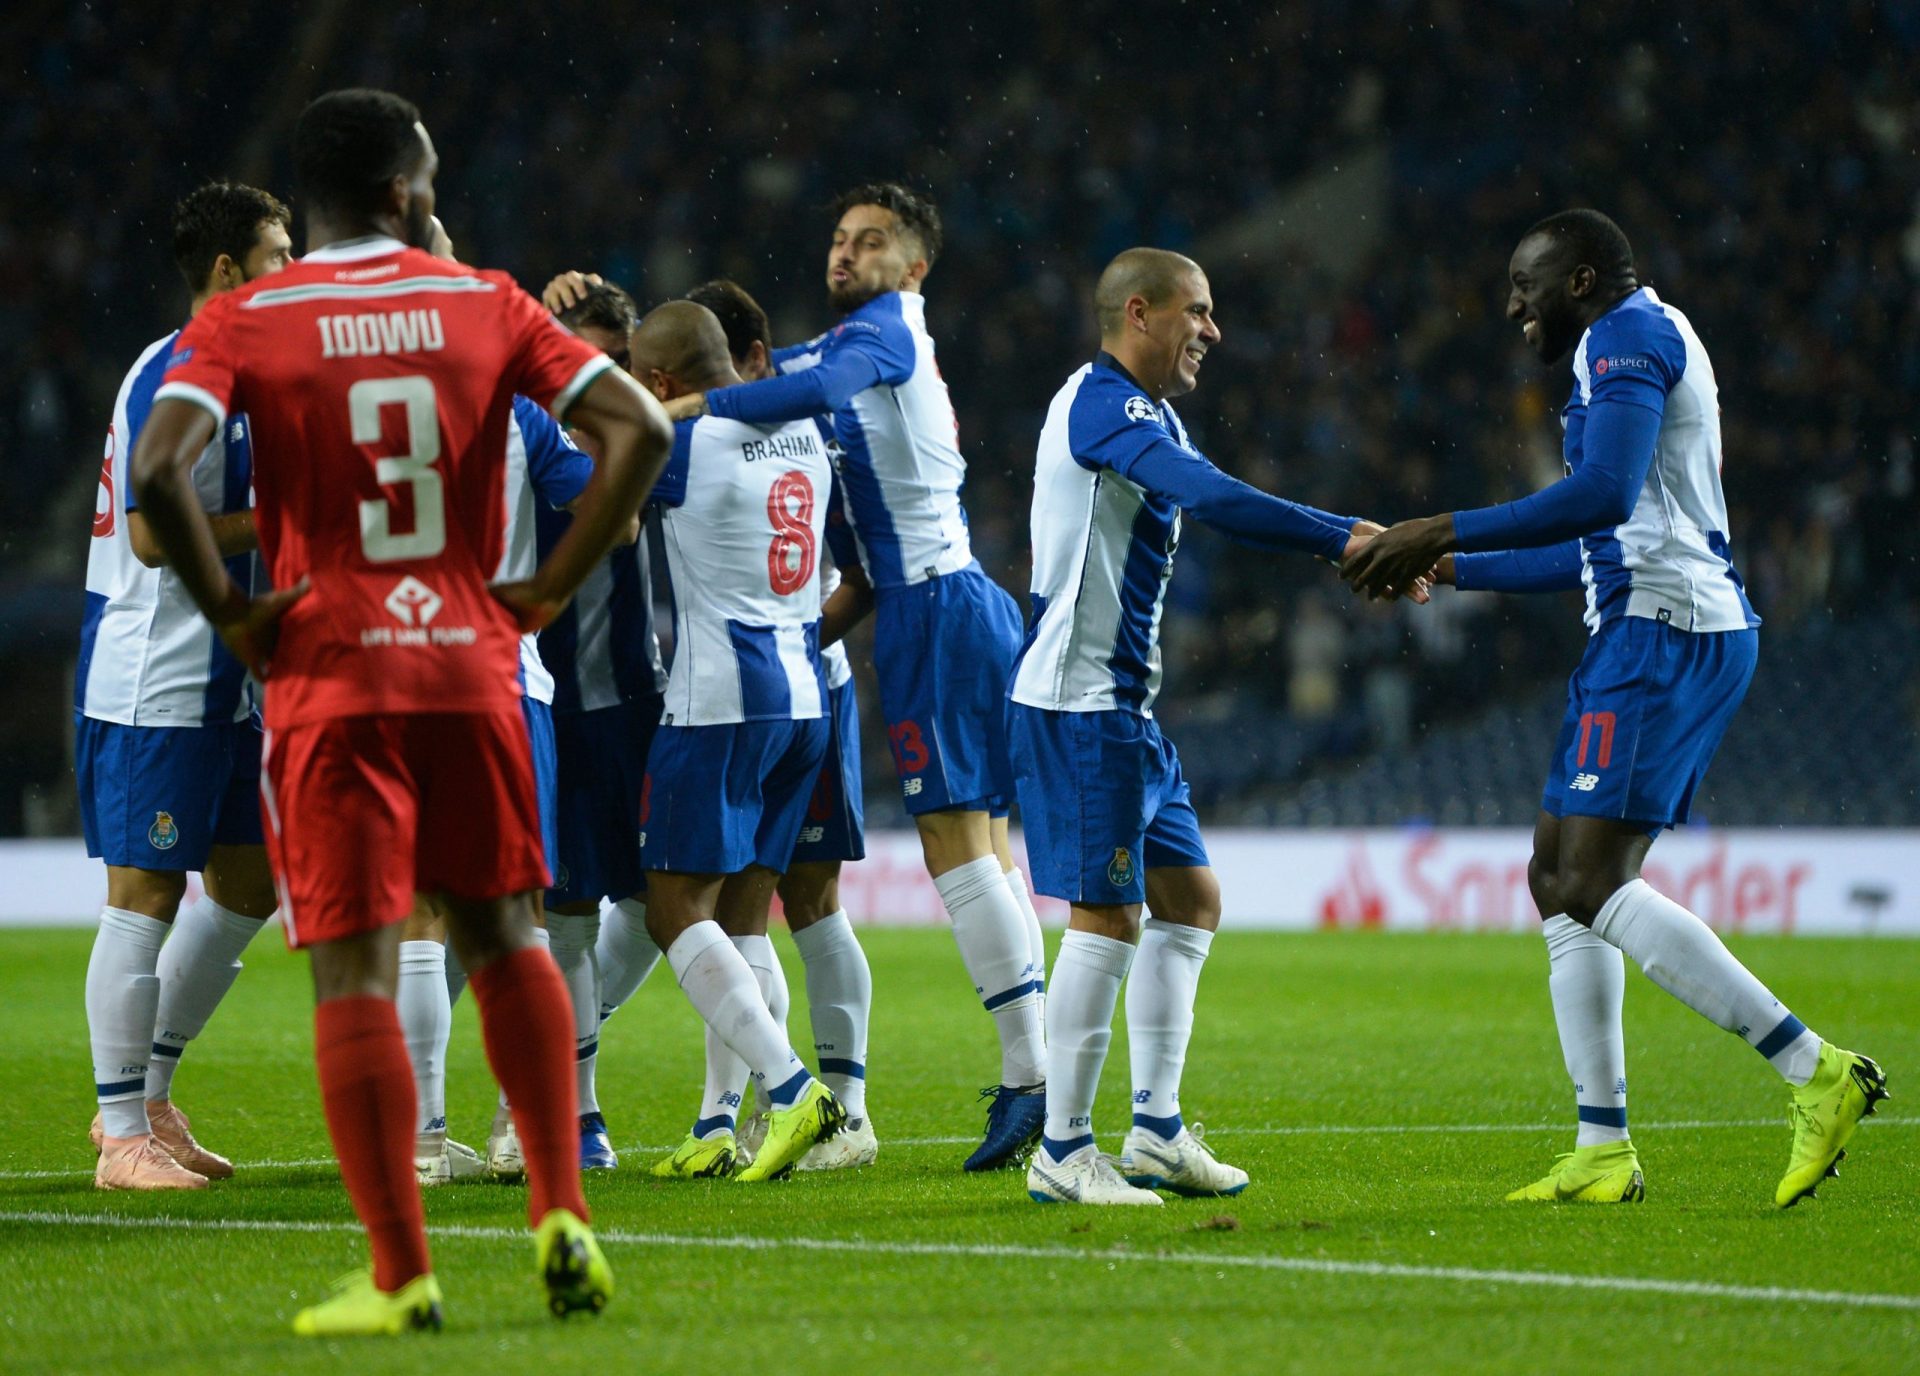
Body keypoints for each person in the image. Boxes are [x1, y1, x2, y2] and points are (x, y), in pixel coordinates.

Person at [129, 88, 671, 1334]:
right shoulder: (483, 299)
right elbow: (636, 426)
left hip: (330, 680)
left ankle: (401, 1272)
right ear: (397, 192)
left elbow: (159, 465)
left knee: (356, 968)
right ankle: (558, 1208)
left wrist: (232, 611)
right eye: (425, 175)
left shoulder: (248, 317)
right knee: (506, 936)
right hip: (469, 665)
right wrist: (545, 584)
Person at [1342, 209, 1888, 1207]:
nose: (1512, 303)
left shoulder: (1627, 336)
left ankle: (1815, 1068)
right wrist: (1452, 563)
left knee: (1591, 879)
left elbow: (1599, 495)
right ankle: (1602, 1144)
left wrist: (1434, 524)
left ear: (1582, 279)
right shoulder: (1627, 337)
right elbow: (1600, 538)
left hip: (1666, 630)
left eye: (1526, 282)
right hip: (1639, 623)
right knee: (1556, 876)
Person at [658, 187, 1049, 1171]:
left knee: (959, 851)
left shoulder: (884, 332)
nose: (847, 253)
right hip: (951, 598)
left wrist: (695, 399)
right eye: (838, 239)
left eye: (872, 242)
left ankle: (1034, 1077)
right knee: (991, 849)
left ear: (915, 266)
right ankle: (1035, 1070)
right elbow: (802, 377)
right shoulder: (854, 347)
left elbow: (818, 385)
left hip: (934, 605)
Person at [1012, 248, 1377, 1205]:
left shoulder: (1149, 416)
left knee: (1192, 900)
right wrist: (1342, 536)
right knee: (1110, 914)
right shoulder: (1101, 405)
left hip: (1127, 710)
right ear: (1141, 312)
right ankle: (1061, 1151)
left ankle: (1158, 1133)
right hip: (1082, 702)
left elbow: (1223, 498)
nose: (1213, 330)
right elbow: (1214, 500)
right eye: (1198, 312)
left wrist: (1349, 538)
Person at [77, 181, 292, 1191]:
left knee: (249, 879)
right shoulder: (179, 374)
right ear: (225, 272)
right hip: (155, 672)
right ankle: (121, 1134)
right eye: (276, 253)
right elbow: (154, 538)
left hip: (228, 681)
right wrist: (294, 526)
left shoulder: (242, 371)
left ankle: (152, 1089)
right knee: (146, 891)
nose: (289, 271)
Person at [395, 216, 604, 1186]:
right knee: (515, 915)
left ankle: (425, 1139)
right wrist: (548, 586)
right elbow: (606, 489)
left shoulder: (368, 399)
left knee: (418, 915)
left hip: (390, 672)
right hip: (496, 676)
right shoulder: (514, 405)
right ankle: (527, 1128)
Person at [625, 300, 847, 1182]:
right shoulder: (802, 421)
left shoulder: (679, 446)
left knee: (673, 908)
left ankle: (793, 1089)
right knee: (746, 915)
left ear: (662, 384)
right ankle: (722, 1124)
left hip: (720, 700)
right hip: (803, 697)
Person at [689, 277, 877, 1172]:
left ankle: (845, 1105)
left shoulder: (792, 437)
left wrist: (798, 636)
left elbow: (864, 575)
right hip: (780, 687)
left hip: (798, 686)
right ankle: (737, 1115)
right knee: (742, 912)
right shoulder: (790, 435)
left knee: (807, 902)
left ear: (754, 362)